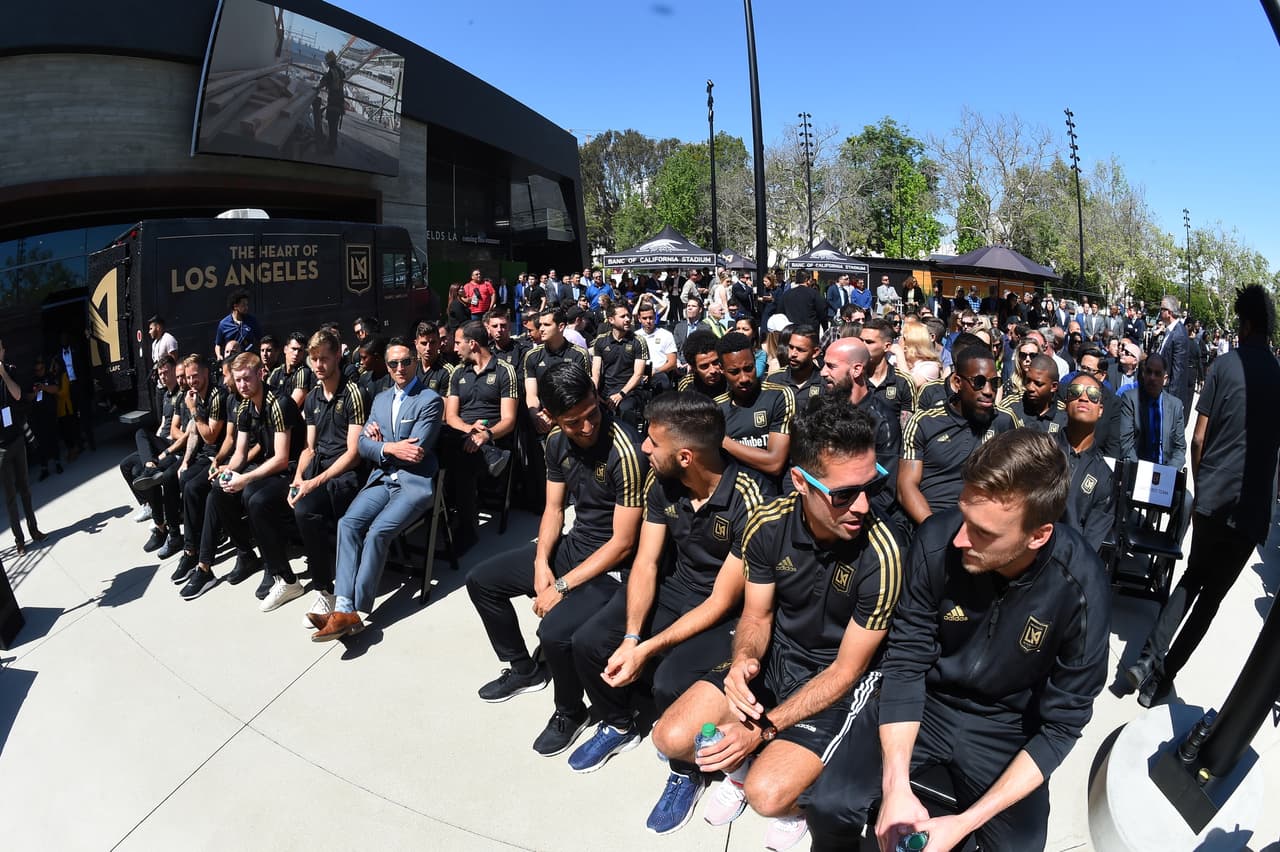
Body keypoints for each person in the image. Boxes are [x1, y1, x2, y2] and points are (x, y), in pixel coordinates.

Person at [806, 429, 1110, 851]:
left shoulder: (1081, 588)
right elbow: (906, 661)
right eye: (964, 514)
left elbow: (1062, 725)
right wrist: (895, 787)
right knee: (828, 805)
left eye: (983, 532)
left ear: (1038, 535)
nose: (961, 538)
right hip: (926, 701)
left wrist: (965, 822)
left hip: (1007, 727)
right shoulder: (936, 540)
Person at [650, 396, 903, 848]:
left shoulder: (883, 554)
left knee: (768, 795)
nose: (863, 506)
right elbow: (756, 614)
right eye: (844, 494)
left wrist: (762, 728)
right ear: (800, 482)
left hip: (837, 677)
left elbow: (848, 670)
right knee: (670, 737)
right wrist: (744, 660)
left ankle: (789, 801)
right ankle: (748, 758)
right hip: (779, 655)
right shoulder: (767, 524)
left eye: (873, 486)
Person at [568, 393, 764, 788]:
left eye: (654, 442)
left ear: (686, 457)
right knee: (588, 642)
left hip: (724, 612)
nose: (644, 448)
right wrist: (632, 637)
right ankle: (619, 724)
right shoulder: (662, 481)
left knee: (669, 681)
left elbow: (722, 600)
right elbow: (646, 562)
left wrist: (645, 650)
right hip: (676, 589)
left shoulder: (750, 501)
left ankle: (688, 768)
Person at [467, 363, 648, 756]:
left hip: (613, 568)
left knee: (554, 633)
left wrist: (561, 587)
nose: (587, 427)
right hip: (575, 546)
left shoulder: (625, 450)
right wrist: (541, 564)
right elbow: (553, 509)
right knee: (482, 581)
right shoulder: (554, 441)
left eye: (592, 414)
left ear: (597, 397)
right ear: (550, 417)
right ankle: (524, 669)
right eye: (573, 422)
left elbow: (623, 543)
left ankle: (570, 711)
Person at [1126, 285, 1280, 707]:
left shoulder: (1224, 366)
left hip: (1213, 497)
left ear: (1244, 324)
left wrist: (1203, 482)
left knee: (1192, 578)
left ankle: (1147, 657)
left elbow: (1198, 438)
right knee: (1210, 601)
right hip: (1251, 513)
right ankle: (1161, 681)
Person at [311, 339, 444, 640]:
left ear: (414, 362)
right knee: (348, 524)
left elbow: (416, 452)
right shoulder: (381, 399)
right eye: (393, 363)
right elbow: (361, 445)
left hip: (412, 484)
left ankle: (352, 612)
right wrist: (389, 447)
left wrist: (382, 445)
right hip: (382, 479)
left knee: (377, 532)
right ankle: (343, 607)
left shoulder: (430, 400)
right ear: (387, 366)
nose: (400, 368)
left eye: (406, 361)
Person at [185, 352, 304, 609]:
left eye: (247, 379)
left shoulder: (279, 403)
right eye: (238, 380)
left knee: (254, 497)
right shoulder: (244, 407)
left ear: (260, 374)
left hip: (293, 470)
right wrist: (228, 470)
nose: (242, 385)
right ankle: (247, 553)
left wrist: (245, 478)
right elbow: (240, 452)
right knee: (218, 490)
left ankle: (278, 570)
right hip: (269, 467)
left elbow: (282, 459)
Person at [290, 329, 367, 625]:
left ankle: (327, 587)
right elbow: (310, 448)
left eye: (324, 358)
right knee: (293, 504)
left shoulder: (354, 393)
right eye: (314, 359)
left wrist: (313, 483)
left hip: (346, 474)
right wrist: (299, 478)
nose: (319, 365)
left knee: (307, 510)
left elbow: (353, 454)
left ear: (337, 356)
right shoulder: (312, 398)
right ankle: (318, 580)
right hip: (319, 469)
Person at [899, 345, 1015, 526]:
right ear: (957, 382)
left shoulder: (1004, 421)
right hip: (931, 521)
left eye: (994, 383)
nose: (988, 391)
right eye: (979, 382)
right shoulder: (924, 423)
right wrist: (935, 530)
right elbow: (906, 487)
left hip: (984, 525)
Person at [442, 321, 518, 550]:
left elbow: (509, 420)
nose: (455, 348)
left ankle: (468, 531)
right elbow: (451, 416)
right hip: (462, 435)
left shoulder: (504, 371)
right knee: (442, 437)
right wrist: (469, 430)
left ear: (472, 344)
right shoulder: (458, 372)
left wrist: (486, 435)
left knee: (463, 461)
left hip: (491, 439)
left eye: (458, 343)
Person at [170, 354, 230, 591]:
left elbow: (211, 436)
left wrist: (193, 409)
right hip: (205, 456)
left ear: (206, 373)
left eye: (195, 375)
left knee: (194, 488)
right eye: (188, 377)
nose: (191, 381)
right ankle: (190, 549)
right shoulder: (194, 395)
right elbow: (194, 433)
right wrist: (185, 462)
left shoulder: (216, 396)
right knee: (182, 478)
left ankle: (201, 559)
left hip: (220, 456)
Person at [713, 333, 795, 492]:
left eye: (749, 368)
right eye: (734, 372)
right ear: (722, 369)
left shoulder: (779, 396)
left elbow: (774, 463)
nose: (744, 378)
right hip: (734, 497)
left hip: (774, 497)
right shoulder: (716, 408)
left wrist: (723, 441)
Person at [123, 353, 187, 557]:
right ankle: (150, 505)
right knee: (128, 466)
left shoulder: (182, 395)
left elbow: (179, 431)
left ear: (175, 371)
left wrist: (164, 447)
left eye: (166, 372)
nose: (163, 376)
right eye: (160, 374)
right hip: (161, 441)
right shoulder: (165, 395)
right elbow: (163, 423)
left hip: (172, 445)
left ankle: (161, 526)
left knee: (141, 435)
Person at [1055, 371, 1115, 550]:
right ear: (1066, 403)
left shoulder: (1104, 476)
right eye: (1076, 391)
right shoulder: (1039, 449)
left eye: (1093, 394)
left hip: (1068, 560)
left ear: (1100, 410)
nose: (1083, 397)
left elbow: (1089, 546)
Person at [0, 342, 46, 554]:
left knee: (25, 489)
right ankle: (19, 540)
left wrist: (3, 374)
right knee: (10, 497)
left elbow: (17, 395)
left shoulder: (10, 371)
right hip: (1, 448)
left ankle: (34, 530)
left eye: (1, 348)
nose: (1, 352)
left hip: (17, 439)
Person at [523, 308, 592, 437]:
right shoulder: (532, 356)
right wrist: (536, 416)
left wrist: (556, 418)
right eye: (540, 325)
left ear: (561, 327)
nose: (541, 329)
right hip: (543, 420)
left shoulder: (578, 354)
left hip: (572, 419)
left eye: (546, 325)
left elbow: (585, 392)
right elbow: (532, 395)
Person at [1117, 352, 1187, 470]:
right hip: (1137, 469)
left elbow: (1179, 448)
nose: (1152, 378)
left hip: (1165, 470)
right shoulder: (1130, 399)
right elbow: (1126, 444)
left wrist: (1168, 471)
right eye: (1149, 372)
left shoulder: (1175, 405)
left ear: (1165, 379)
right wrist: (1142, 472)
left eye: (1157, 374)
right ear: (1143, 374)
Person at [591, 303, 649, 427]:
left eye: (628, 316)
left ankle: (630, 436)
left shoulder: (638, 341)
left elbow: (638, 374)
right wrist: (594, 392)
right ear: (611, 320)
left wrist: (621, 394)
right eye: (623, 316)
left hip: (630, 391)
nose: (628, 319)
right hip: (606, 390)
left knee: (625, 408)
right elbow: (596, 372)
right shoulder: (601, 340)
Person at [858, 319, 915, 425]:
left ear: (887, 346)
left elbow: (907, 427)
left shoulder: (903, 382)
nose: (862, 346)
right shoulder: (854, 378)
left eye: (869, 342)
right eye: (861, 341)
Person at [997, 354, 1066, 433]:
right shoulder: (1010, 407)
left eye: (1038, 384)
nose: (1030, 388)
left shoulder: (1063, 414)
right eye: (1028, 381)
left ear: (1053, 387)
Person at [765, 325, 824, 406]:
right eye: (791, 347)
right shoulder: (774, 381)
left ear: (815, 352)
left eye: (800, 350)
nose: (793, 354)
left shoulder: (824, 383)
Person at [1156, 295, 1192, 425]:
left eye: (1162, 309)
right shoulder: (1169, 331)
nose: (1160, 312)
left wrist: (1170, 401)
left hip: (1168, 392)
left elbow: (1178, 371)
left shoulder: (1179, 334)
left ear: (1169, 312)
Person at [636, 302, 678, 392]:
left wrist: (655, 371)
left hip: (659, 373)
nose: (648, 321)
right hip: (639, 373)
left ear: (655, 317)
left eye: (651, 318)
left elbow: (672, 363)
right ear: (639, 319)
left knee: (663, 382)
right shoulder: (635, 336)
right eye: (644, 318)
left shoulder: (666, 335)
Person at [267, 331, 315, 410]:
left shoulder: (303, 372)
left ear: (304, 353)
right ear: (285, 349)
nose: (296, 353)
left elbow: (292, 407)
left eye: (300, 350)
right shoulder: (276, 372)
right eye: (294, 349)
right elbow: (266, 397)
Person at [213, 289, 261, 360]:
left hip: (248, 359)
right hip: (231, 360)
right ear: (235, 306)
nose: (246, 307)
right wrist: (219, 355)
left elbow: (260, 340)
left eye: (247, 305)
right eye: (243, 305)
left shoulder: (252, 320)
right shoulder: (223, 324)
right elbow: (218, 344)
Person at [677, 330, 726, 399]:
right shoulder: (687, 385)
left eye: (715, 362)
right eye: (704, 366)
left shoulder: (731, 379)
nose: (713, 370)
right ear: (694, 367)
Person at [414, 320, 455, 397]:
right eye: (424, 343)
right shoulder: (410, 368)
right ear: (416, 344)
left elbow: (445, 402)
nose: (428, 348)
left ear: (439, 343)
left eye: (432, 343)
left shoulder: (447, 372)